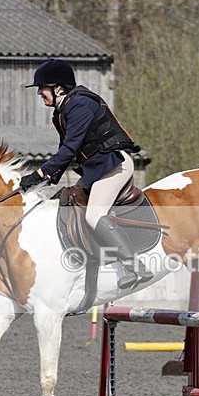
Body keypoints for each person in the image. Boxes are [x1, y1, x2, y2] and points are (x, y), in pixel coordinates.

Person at [23, 58, 151, 289]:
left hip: (115, 164)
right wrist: (47, 180)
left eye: (42, 88)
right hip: (98, 168)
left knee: (94, 215)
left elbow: (70, 148)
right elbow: (67, 153)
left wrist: (39, 173)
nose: (40, 92)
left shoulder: (80, 105)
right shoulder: (61, 111)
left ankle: (134, 265)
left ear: (58, 88)